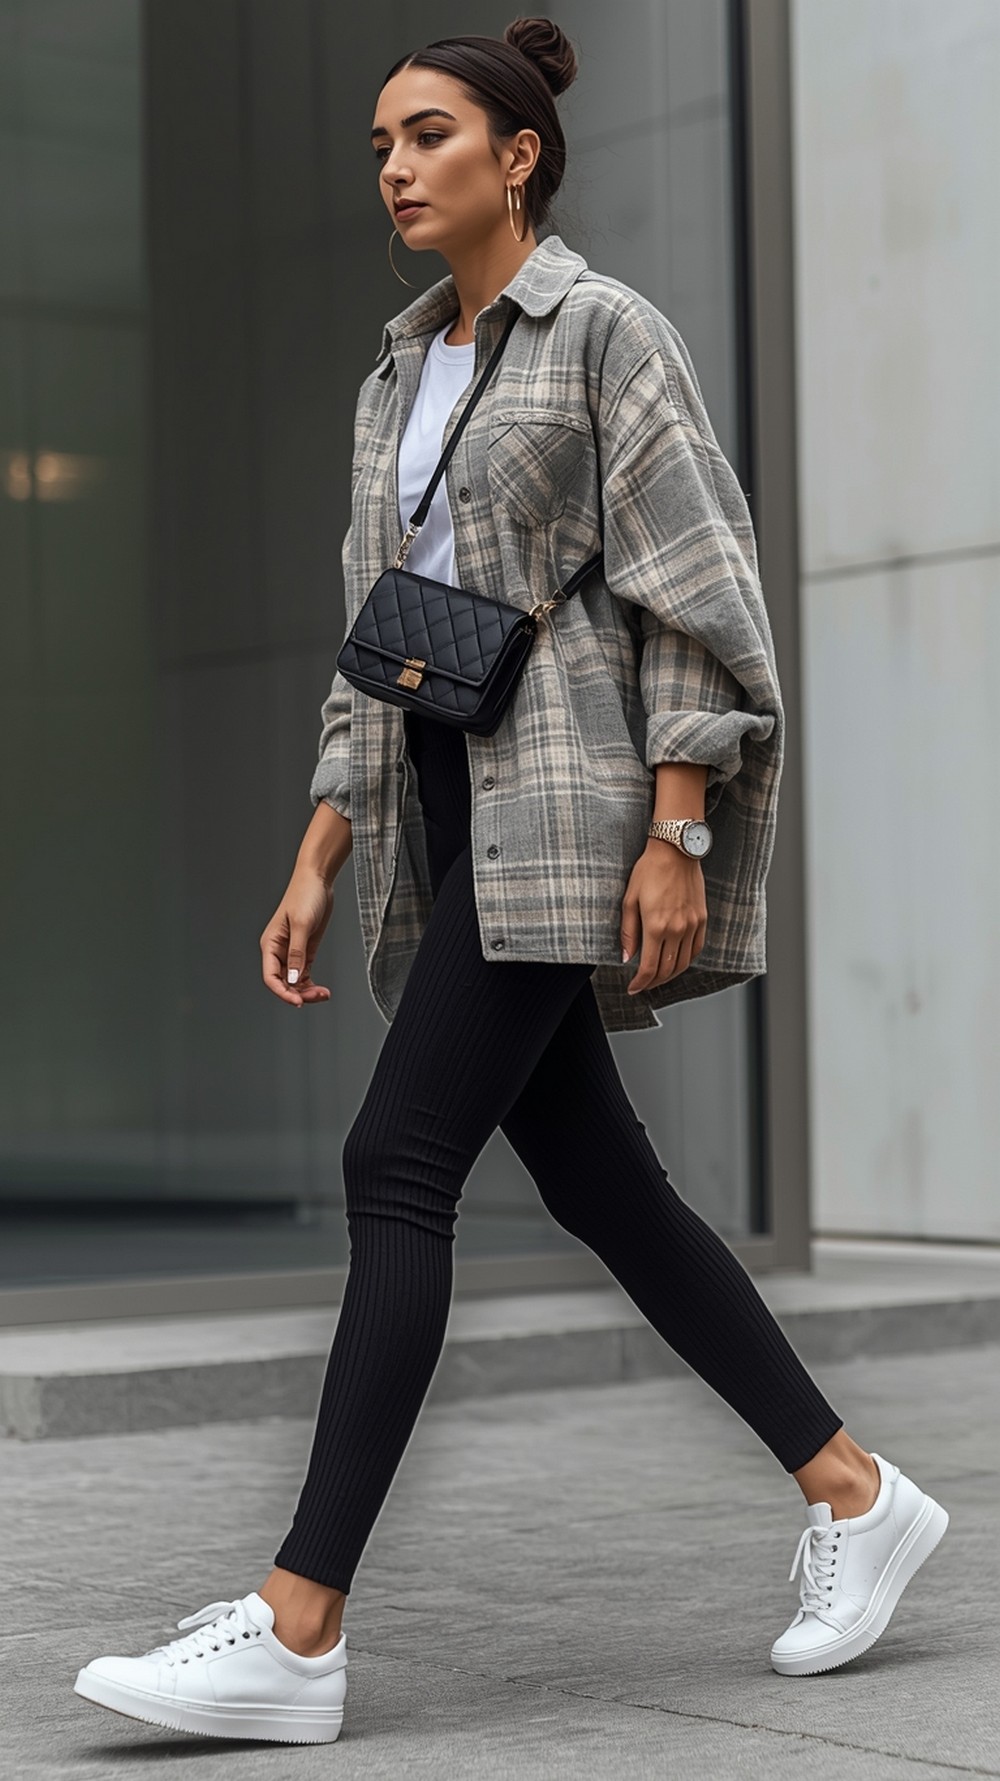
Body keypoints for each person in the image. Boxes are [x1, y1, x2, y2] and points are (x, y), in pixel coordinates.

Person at [74, 17, 949, 1747]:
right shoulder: (396, 373)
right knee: (609, 1189)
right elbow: (377, 638)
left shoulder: (605, 331)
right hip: (434, 812)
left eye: (426, 134)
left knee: (395, 1160)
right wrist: (320, 848)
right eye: (379, 142)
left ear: (517, 153)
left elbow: (698, 582)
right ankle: (858, 1493)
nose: (393, 164)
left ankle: (299, 1622)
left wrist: (681, 824)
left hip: (566, 811)